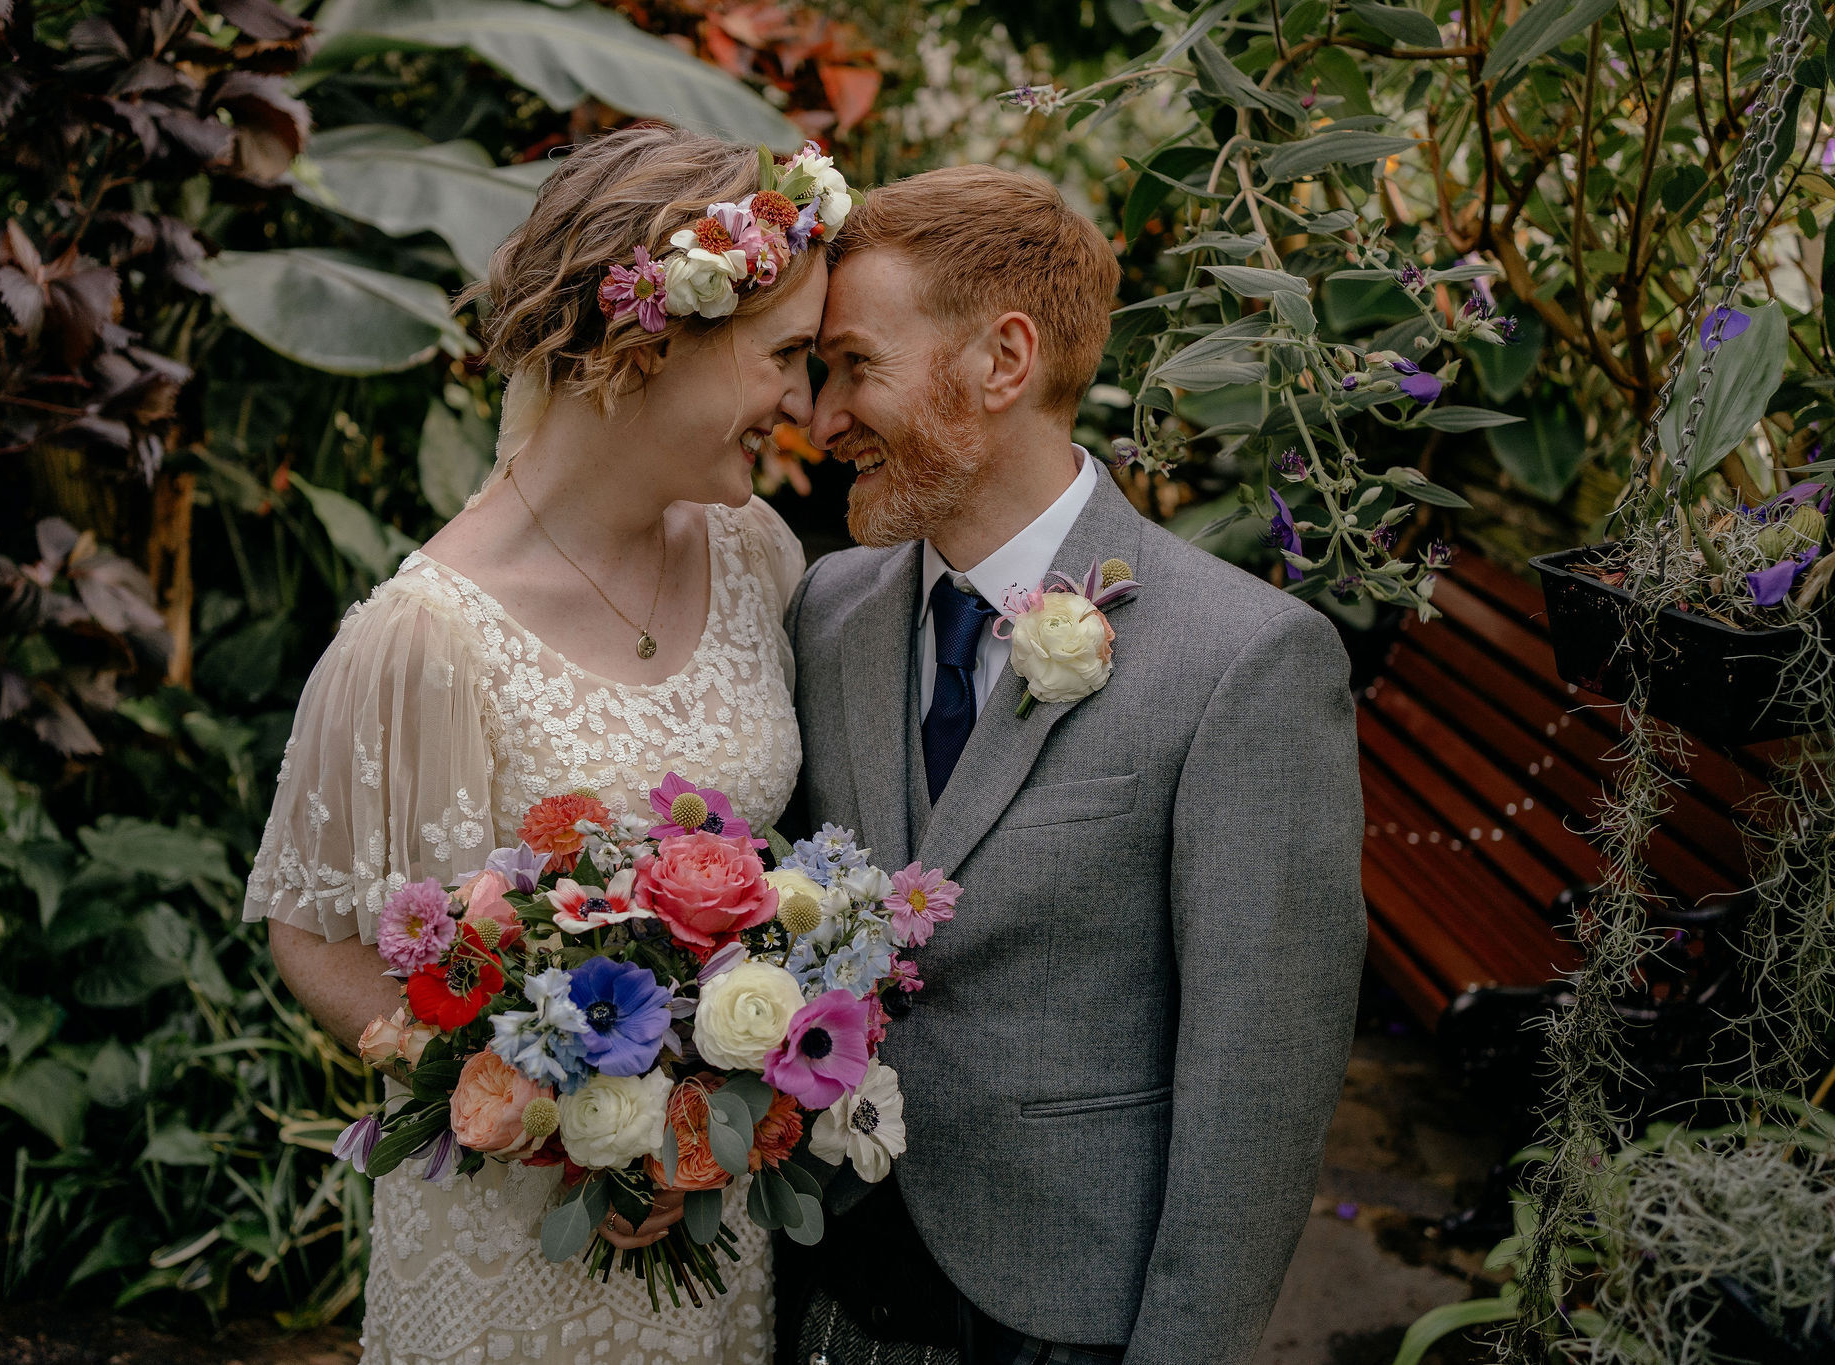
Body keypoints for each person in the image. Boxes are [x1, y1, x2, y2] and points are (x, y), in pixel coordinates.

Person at [243, 124, 835, 1365]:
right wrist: (552, 1113)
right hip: (514, 1255)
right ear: (650, 338)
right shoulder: (424, 637)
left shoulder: (755, 558)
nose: (803, 402)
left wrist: (713, 1097)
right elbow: (309, 926)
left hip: (714, 1231)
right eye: (784, 355)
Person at [782, 164, 1366, 1365]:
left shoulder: (1244, 661)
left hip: (1070, 1312)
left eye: (854, 366)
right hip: (826, 1282)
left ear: (1002, 362)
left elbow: (1258, 1079)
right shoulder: (825, 610)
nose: (819, 417)